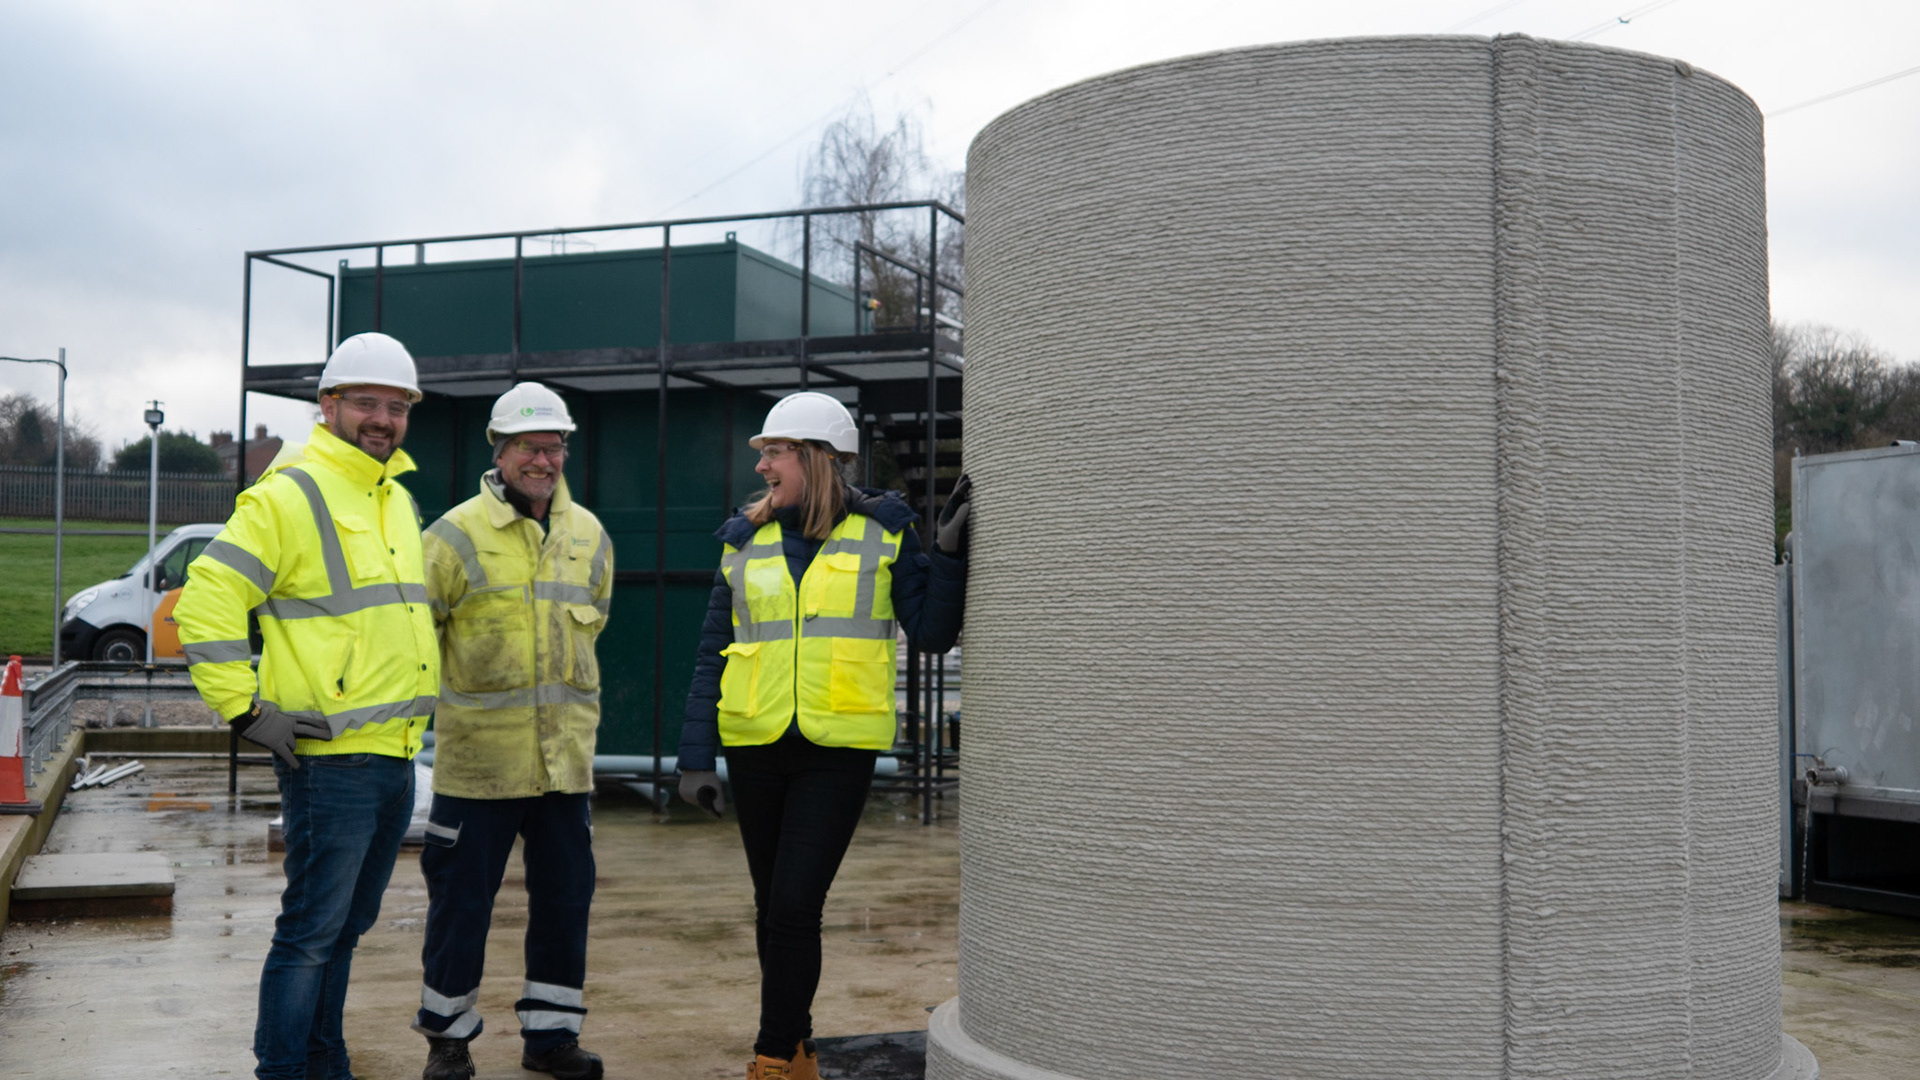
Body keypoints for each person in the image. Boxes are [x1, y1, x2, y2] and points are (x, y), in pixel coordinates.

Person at [678, 391, 972, 1080]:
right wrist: (696, 757)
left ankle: (772, 1057)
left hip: (836, 751)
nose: (763, 466)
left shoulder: (885, 533)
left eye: (776, 453)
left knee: (794, 905)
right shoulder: (743, 541)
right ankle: (799, 1050)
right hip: (754, 743)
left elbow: (932, 634)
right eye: (764, 454)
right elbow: (712, 652)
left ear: (818, 459)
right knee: (772, 908)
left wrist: (949, 554)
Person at [175, 332, 439, 1080]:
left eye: (397, 406)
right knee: (311, 932)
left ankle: (326, 1061)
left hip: (392, 755)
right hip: (329, 761)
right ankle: (285, 1070)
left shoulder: (395, 500)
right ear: (328, 406)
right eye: (365, 403)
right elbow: (207, 597)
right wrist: (245, 710)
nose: (382, 418)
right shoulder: (290, 494)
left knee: (345, 928)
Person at [411, 382, 612, 1080]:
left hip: (564, 767)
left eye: (555, 448)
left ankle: (551, 1039)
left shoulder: (587, 535)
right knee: (460, 909)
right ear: (499, 451)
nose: (543, 460)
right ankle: (448, 1041)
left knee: (564, 905)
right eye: (529, 447)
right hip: (478, 768)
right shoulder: (452, 536)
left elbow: (595, 620)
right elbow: (419, 640)